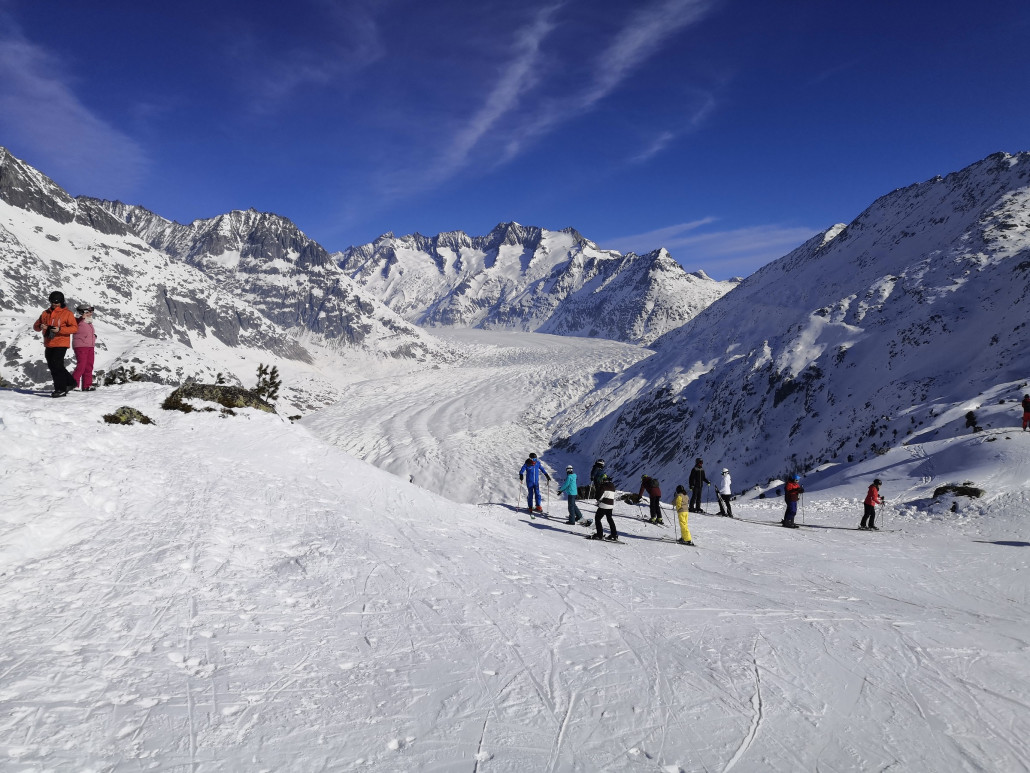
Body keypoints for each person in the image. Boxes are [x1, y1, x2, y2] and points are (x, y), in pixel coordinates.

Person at [33, 291, 78, 398]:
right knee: (53, 366)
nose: (54, 304)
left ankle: (60, 389)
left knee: (56, 365)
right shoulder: (45, 313)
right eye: (52, 302)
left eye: (57, 302)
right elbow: (35, 326)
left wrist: (60, 329)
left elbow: (74, 328)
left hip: (61, 342)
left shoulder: (67, 314)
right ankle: (71, 382)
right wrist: (40, 326)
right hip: (49, 343)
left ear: (61, 302)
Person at [71, 305, 97, 391]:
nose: (91, 313)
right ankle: (73, 385)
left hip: (90, 345)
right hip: (81, 346)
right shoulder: (77, 320)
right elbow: (75, 324)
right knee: (81, 366)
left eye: (91, 311)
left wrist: (93, 337)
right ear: (83, 312)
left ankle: (87, 385)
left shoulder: (89, 322)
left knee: (89, 366)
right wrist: (82, 318)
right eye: (89, 311)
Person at [587, 474, 619, 541]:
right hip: (611, 505)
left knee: (597, 518)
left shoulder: (603, 486)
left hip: (604, 504)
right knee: (609, 519)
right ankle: (614, 535)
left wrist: (598, 499)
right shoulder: (612, 485)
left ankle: (599, 535)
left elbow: (599, 497)